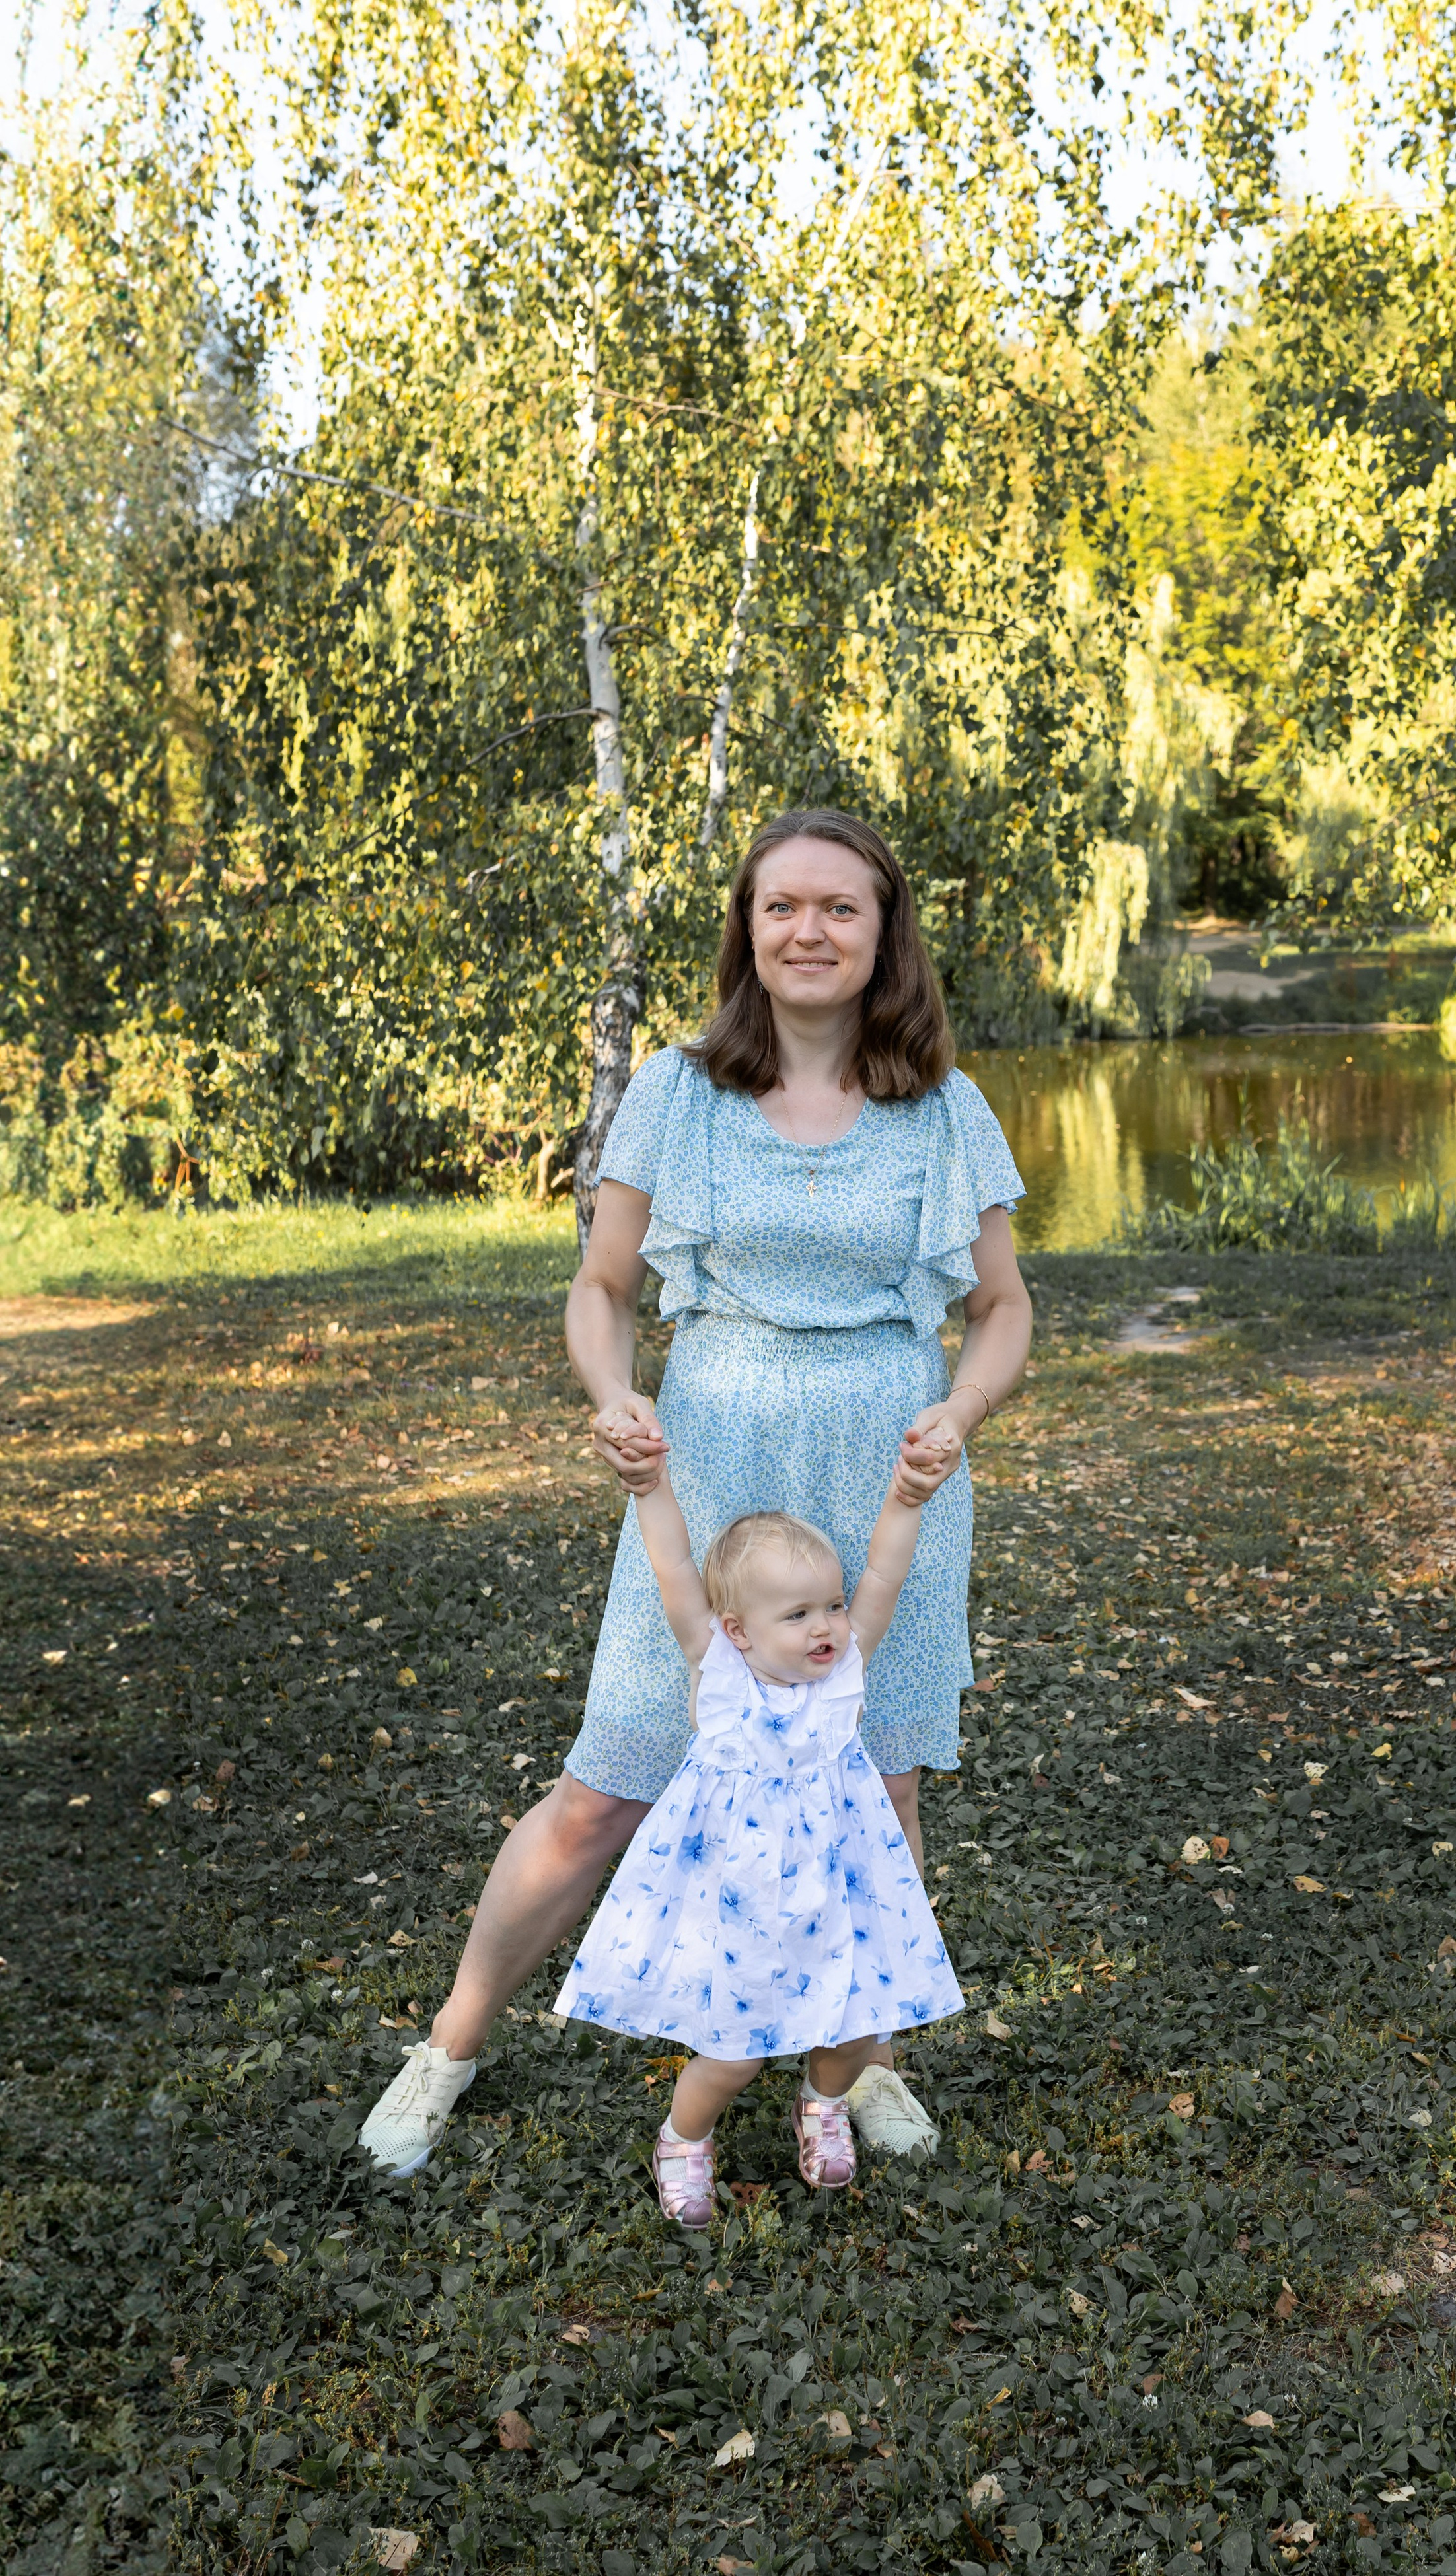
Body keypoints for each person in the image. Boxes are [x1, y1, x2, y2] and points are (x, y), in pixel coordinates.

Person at [359, 806, 1030, 2181]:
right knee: (611, 1778)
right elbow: (602, 1289)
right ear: (746, 929)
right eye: (782, 905)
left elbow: (1005, 1307)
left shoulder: (944, 1112)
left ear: (882, 935)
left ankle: (867, 2063)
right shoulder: (677, 1090)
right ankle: (450, 2043)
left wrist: (957, 1410)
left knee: (877, 1786)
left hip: (880, 1455)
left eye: (839, 908)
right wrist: (613, 1397)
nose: (808, 930)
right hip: (712, 1452)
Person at [558, 1458, 963, 2224]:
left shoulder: (843, 1672)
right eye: (799, 1614)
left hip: (836, 1892)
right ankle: (683, 2139)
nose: (826, 1626)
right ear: (737, 1631)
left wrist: (905, 1499)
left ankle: (821, 2105)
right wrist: (650, 1488)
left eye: (831, 1607)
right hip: (741, 1905)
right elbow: (675, 1568)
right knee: (733, 2053)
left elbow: (884, 1575)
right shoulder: (719, 1673)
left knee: (854, 2029)